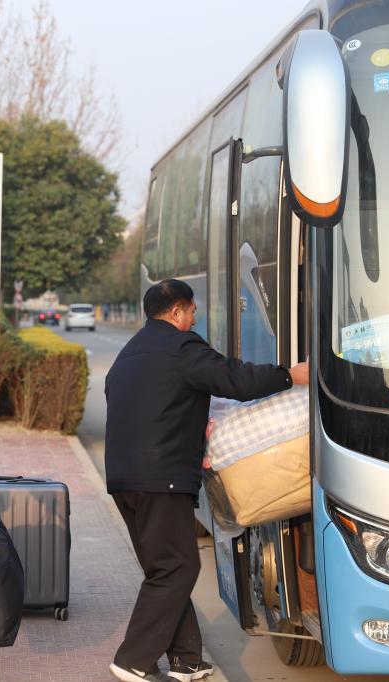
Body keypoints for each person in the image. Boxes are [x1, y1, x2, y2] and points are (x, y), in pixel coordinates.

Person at [104, 279, 308, 682]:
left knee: (165, 569)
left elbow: (145, 406)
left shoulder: (129, 353)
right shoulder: (182, 347)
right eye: (192, 311)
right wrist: (290, 376)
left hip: (124, 479)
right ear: (177, 311)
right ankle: (133, 659)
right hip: (161, 479)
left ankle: (186, 659)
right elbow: (235, 378)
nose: (195, 319)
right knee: (178, 568)